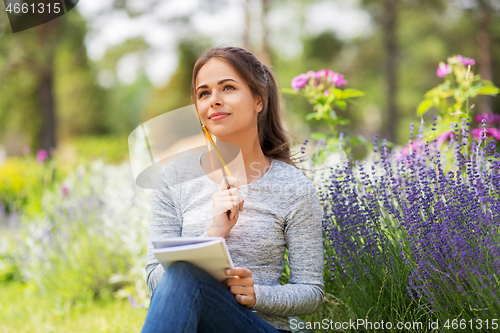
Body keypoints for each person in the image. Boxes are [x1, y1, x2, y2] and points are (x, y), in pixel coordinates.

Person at [140, 46, 324, 333]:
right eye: (204, 93)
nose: (214, 100)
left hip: (260, 327)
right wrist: (213, 234)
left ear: (258, 100)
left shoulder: (294, 187)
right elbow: (155, 280)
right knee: (184, 272)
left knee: (186, 270)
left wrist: (257, 295)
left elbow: (311, 292)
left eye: (227, 88)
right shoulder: (173, 178)